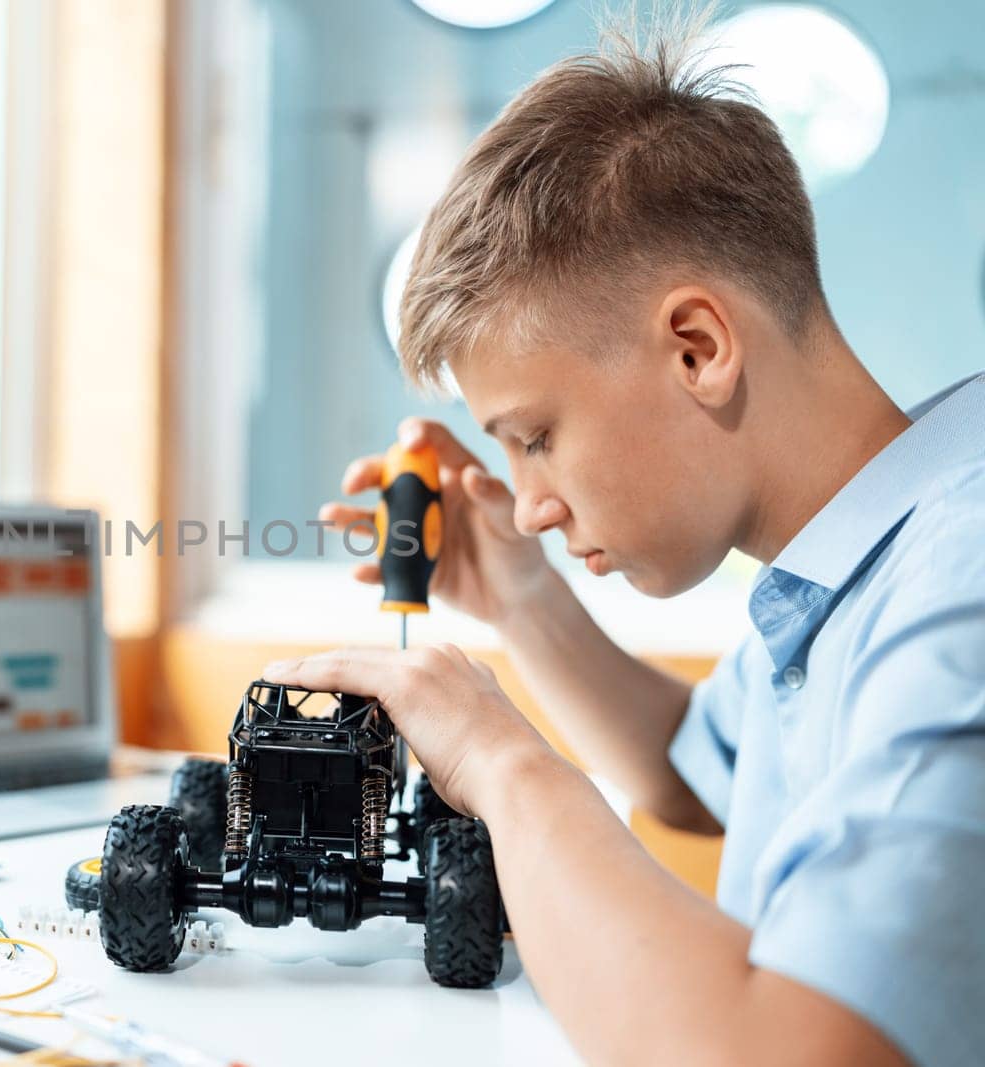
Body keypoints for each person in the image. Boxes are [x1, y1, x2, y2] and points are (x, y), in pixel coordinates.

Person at [260, 13, 984, 1067]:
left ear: (697, 348)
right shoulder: (857, 557)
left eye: (536, 436)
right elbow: (692, 776)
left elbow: (793, 1052)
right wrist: (519, 600)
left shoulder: (961, 580)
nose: (532, 504)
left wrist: (499, 760)